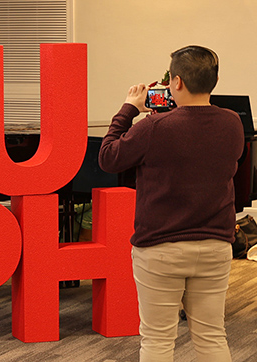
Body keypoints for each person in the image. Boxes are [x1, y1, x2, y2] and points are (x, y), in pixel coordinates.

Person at [99, 45, 243, 362]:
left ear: (175, 82)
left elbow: (108, 156)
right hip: (215, 246)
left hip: (161, 249)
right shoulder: (233, 123)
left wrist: (128, 108)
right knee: (211, 337)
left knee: (158, 340)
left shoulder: (154, 128)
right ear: (213, 80)